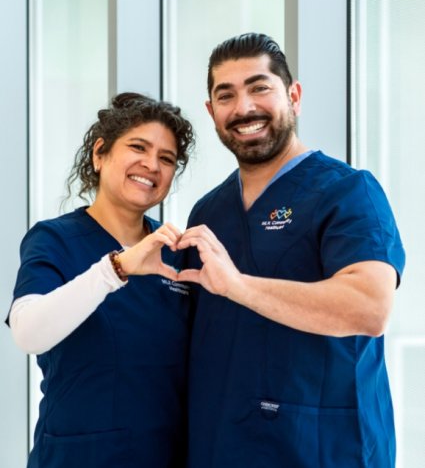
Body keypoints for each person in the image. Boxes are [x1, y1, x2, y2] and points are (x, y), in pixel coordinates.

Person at [176, 33, 405, 468]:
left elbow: (369, 308)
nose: (244, 108)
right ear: (211, 111)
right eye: (226, 95)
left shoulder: (348, 192)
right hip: (221, 447)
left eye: (260, 87)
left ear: (293, 95)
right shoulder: (208, 212)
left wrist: (239, 286)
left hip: (322, 448)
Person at [6, 92, 194, 468]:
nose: (152, 165)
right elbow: (27, 332)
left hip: (163, 454)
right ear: (100, 153)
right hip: (79, 456)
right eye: (137, 147)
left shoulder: (175, 250)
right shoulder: (54, 239)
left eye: (167, 158)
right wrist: (116, 268)